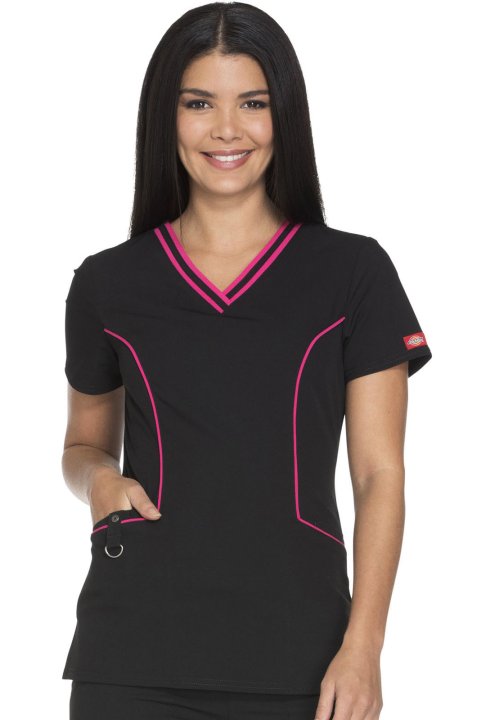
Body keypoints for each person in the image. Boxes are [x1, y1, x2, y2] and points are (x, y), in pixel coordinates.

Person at [61, 3, 433, 719]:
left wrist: (363, 648)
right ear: (166, 117)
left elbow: (378, 474)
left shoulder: (352, 273)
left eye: (253, 104)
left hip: (301, 656)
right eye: (199, 103)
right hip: (130, 656)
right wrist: (100, 480)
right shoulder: (107, 283)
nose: (226, 129)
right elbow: (82, 446)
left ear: (283, 116)